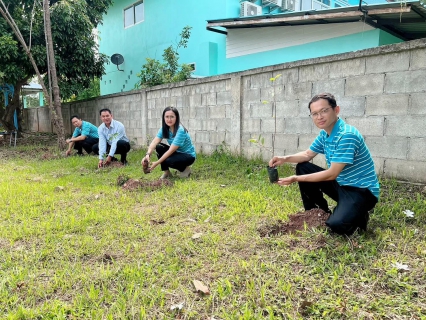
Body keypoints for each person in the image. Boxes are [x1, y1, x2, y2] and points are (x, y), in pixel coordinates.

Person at [269, 93, 380, 235]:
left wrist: (295, 179)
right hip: (341, 184)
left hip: (361, 191)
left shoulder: (346, 135)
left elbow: (332, 173)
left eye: (324, 111)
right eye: (314, 113)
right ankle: (317, 213)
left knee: (337, 226)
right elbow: (307, 154)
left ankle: (359, 214)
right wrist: (284, 158)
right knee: (303, 167)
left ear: (336, 110)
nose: (319, 117)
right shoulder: (325, 134)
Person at [142, 106, 196, 179]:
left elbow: (171, 150)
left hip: (188, 155)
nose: (169, 119)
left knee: (168, 160)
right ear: (164, 118)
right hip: (177, 153)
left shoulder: (180, 130)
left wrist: (156, 163)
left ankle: (185, 169)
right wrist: (147, 155)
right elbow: (154, 142)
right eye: (167, 117)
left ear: (176, 118)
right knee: (159, 147)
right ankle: (167, 173)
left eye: (172, 117)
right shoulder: (164, 129)